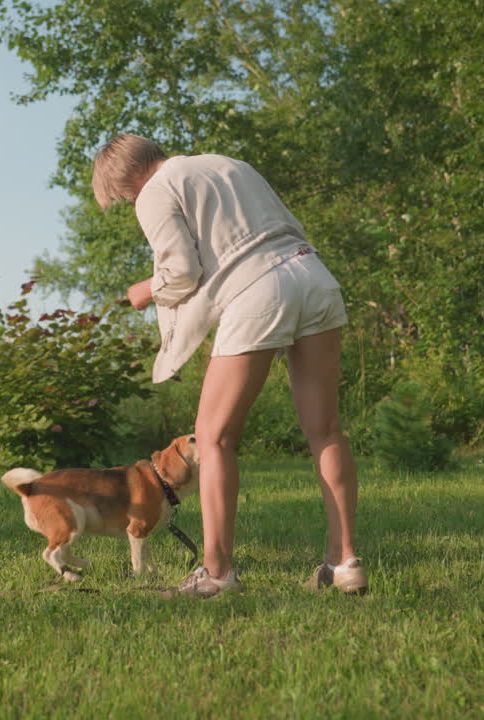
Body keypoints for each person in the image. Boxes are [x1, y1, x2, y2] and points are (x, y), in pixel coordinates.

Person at [91, 134, 367, 598]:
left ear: (123, 178)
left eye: (121, 195)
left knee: (214, 437)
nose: (127, 201)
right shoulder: (226, 162)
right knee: (326, 431)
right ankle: (344, 562)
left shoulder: (155, 190)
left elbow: (180, 271)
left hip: (259, 291)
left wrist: (146, 289)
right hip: (314, 276)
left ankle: (216, 574)